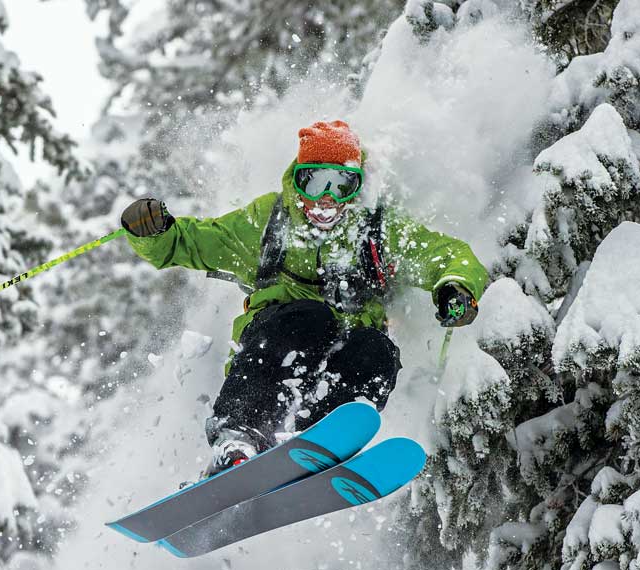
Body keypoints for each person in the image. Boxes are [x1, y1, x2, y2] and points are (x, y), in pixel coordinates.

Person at [120, 120, 489, 476]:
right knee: (309, 318)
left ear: (357, 188)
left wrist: (454, 285)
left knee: (376, 351)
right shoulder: (270, 221)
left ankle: (316, 437)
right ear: (297, 182)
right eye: (314, 183)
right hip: (279, 337)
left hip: (347, 346)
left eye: (341, 184)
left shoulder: (377, 229)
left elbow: (441, 254)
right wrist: (155, 233)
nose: (326, 199)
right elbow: (196, 242)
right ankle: (240, 435)